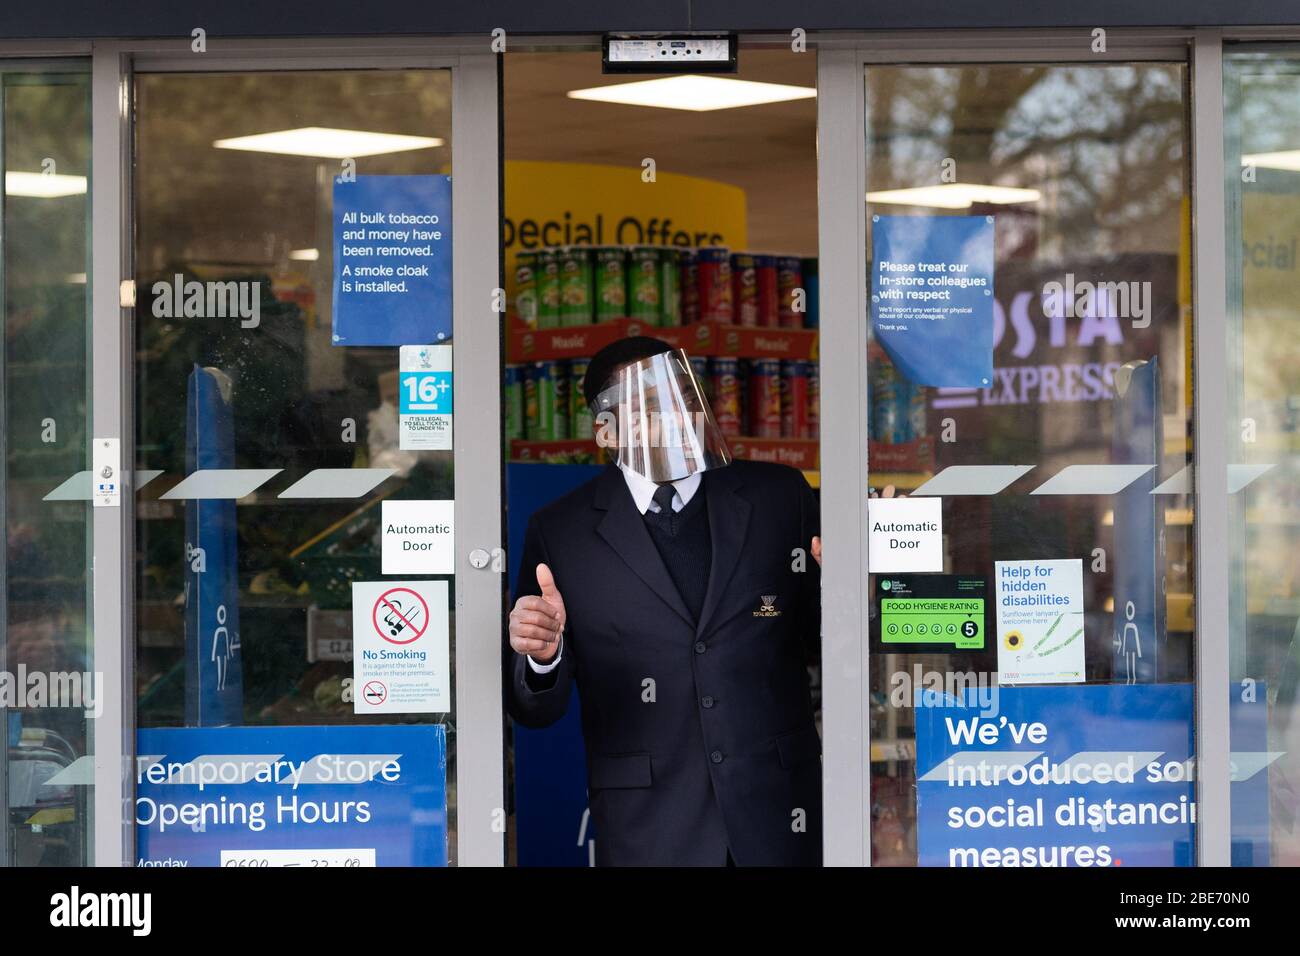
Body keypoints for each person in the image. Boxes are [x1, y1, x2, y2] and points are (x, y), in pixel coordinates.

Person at [505, 336, 823, 866]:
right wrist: (543, 656)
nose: (676, 417)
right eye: (652, 406)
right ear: (604, 431)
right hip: (648, 828)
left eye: (684, 397)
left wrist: (852, 584)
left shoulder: (779, 496)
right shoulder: (561, 531)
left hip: (779, 814)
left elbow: (824, 638)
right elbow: (535, 708)